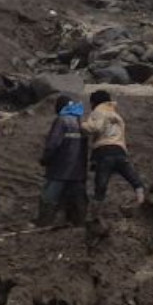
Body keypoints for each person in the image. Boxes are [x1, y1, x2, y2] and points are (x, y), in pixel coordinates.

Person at [81, 90, 145, 207]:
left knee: (101, 180)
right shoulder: (116, 114)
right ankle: (140, 194)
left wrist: (83, 125)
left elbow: (96, 128)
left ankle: (97, 205)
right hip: (120, 150)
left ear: (94, 102)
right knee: (129, 174)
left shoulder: (99, 111)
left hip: (104, 151)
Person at [37, 94, 89, 226]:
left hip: (60, 169)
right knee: (77, 200)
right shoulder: (81, 121)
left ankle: (43, 224)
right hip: (77, 171)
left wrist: (45, 158)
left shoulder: (61, 120)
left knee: (49, 198)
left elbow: (53, 143)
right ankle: (78, 224)